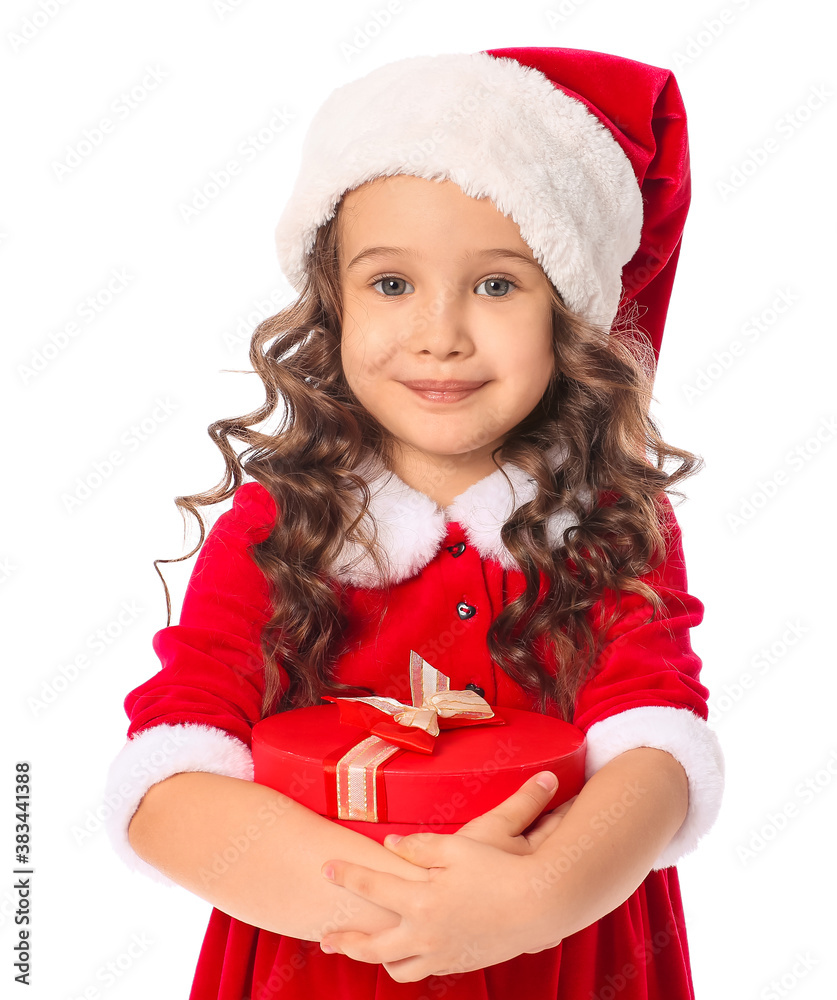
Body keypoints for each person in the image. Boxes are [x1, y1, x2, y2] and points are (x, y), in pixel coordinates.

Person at [104, 46, 725, 999]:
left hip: (565, 956)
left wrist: (536, 897)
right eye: (391, 284)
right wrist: (382, 905)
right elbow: (166, 775)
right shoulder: (285, 525)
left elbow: (657, 744)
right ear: (332, 302)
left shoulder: (605, 524)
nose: (440, 333)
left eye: (496, 284)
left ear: (570, 313)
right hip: (322, 960)